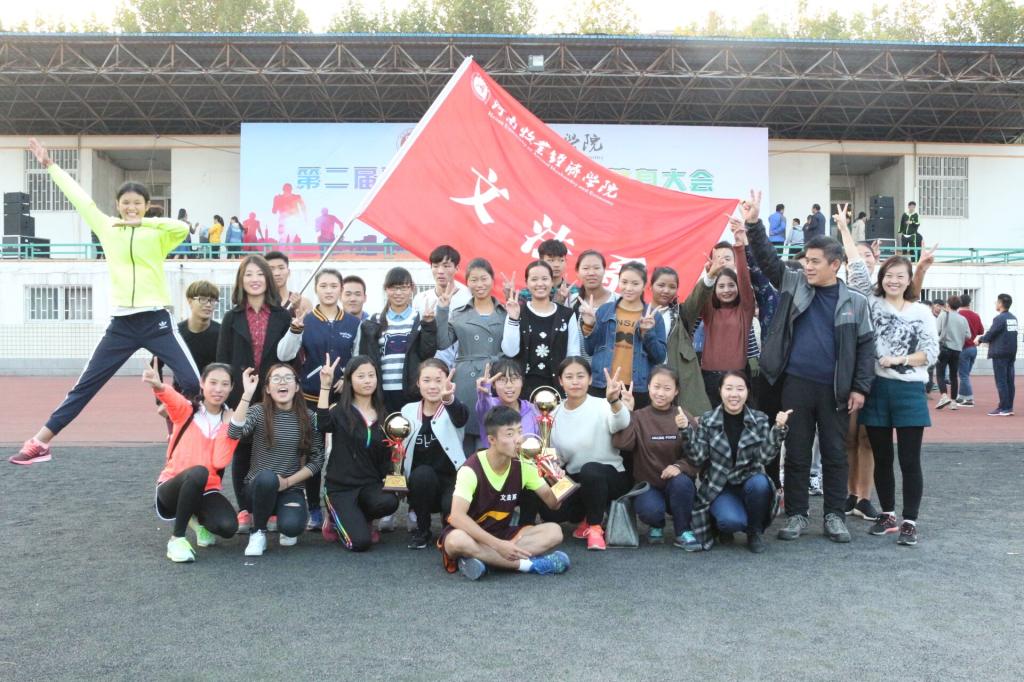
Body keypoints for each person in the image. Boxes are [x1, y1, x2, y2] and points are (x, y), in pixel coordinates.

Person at [11, 138, 198, 466]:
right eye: (126, 203)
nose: (131, 208)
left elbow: (182, 227)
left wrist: (145, 222)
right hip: (122, 323)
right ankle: (40, 442)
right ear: (117, 204)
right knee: (85, 385)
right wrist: (50, 166)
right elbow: (80, 199)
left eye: (137, 203)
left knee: (193, 382)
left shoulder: (157, 233)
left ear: (146, 205)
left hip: (155, 319)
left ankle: (192, 435)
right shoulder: (107, 227)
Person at [743, 190, 875, 544]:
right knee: (797, 453)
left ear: (836, 265)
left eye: (815, 261)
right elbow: (768, 260)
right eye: (806, 261)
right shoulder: (794, 283)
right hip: (796, 385)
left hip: (835, 390)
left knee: (834, 454)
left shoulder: (855, 301)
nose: (808, 267)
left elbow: (866, 347)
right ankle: (797, 515)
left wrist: (860, 387)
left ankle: (834, 516)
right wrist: (754, 225)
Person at [839, 217, 939, 547]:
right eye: (889, 275)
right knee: (882, 458)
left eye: (900, 276)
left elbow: (930, 353)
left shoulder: (921, 312)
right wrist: (844, 229)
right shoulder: (870, 302)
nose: (893, 281)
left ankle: (910, 520)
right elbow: (857, 267)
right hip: (877, 389)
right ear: (881, 278)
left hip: (909, 390)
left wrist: (899, 360)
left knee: (909, 460)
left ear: (909, 280)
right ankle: (887, 514)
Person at [439, 406, 570, 580]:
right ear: (492, 439)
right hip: (470, 534)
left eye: (520, 431)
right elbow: (456, 517)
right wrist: (498, 545)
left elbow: (553, 504)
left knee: (554, 532)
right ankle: (529, 565)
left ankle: (482, 559)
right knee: (456, 541)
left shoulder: (524, 464)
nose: (518, 440)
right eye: (509, 434)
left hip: (502, 533)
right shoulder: (470, 469)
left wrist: (556, 480)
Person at [277, 268, 360, 529]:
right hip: (310, 397)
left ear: (340, 289)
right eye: (323, 286)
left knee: (344, 455)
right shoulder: (305, 320)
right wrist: (294, 329)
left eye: (333, 286)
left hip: (343, 399)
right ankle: (312, 507)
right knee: (314, 453)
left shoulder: (354, 323)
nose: (328, 290)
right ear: (316, 289)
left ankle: (340, 507)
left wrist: (348, 377)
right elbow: (283, 354)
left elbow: (358, 359)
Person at [521, 357, 631, 551]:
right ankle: (583, 515)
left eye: (580, 376)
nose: (575, 382)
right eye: (569, 377)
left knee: (591, 471)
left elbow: (621, 422)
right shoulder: (553, 413)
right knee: (551, 512)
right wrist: (552, 470)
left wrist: (615, 401)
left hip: (610, 476)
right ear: (560, 381)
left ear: (590, 379)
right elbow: (556, 456)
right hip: (576, 478)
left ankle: (595, 527)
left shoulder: (603, 405)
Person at [216, 255, 292, 530]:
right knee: (243, 451)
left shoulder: (283, 316)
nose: (255, 279)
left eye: (260, 274)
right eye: (248, 274)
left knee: (273, 449)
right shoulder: (231, 317)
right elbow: (223, 360)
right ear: (241, 280)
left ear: (268, 279)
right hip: (242, 395)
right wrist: (227, 399)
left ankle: (270, 507)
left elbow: (290, 358)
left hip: (274, 394)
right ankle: (245, 509)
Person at [146, 360, 250, 562]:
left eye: (225, 384)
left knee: (228, 527)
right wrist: (158, 386)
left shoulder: (230, 422)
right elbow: (172, 398)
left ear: (231, 388)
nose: (218, 389)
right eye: (213, 382)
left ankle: (196, 520)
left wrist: (226, 425)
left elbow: (220, 461)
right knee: (198, 472)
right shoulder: (187, 411)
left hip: (206, 490)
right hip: (172, 487)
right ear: (202, 383)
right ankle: (177, 539)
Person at [680, 372, 790, 553]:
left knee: (761, 483)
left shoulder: (760, 419)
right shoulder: (708, 419)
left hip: (749, 483)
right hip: (719, 487)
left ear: (747, 392)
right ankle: (719, 523)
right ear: (720, 391)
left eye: (740, 389)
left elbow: (764, 458)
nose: (734, 394)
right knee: (731, 521)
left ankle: (754, 532)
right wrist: (685, 430)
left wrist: (778, 429)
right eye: (729, 388)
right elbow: (698, 457)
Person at [229, 363, 324, 556]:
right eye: (276, 378)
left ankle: (281, 517)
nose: (283, 382)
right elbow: (234, 433)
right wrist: (246, 394)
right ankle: (258, 532)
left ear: (296, 387)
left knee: (291, 527)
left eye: (288, 378)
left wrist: (288, 482)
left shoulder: (309, 417)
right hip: (257, 487)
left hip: (290, 488)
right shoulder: (258, 411)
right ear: (267, 388)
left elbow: (317, 460)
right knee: (267, 478)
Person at [317, 354, 399, 552]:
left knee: (389, 502)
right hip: (341, 488)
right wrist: (325, 386)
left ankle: (361, 518)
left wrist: (395, 479)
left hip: (369, 486)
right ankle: (334, 519)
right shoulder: (339, 411)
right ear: (350, 380)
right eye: (361, 376)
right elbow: (322, 424)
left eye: (371, 375)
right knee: (360, 543)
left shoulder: (385, 415)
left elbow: (388, 456)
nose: (367, 380)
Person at [611, 366, 699, 549]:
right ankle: (656, 524)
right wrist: (628, 412)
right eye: (656, 387)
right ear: (648, 387)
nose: (660, 393)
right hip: (648, 485)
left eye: (667, 388)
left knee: (682, 484)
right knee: (650, 510)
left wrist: (680, 467)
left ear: (676, 391)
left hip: (677, 484)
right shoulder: (639, 416)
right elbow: (622, 444)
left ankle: (683, 531)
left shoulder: (683, 416)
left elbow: (697, 455)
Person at [436, 257, 508, 451]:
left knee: (497, 432)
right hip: (467, 380)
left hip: (496, 377)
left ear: (492, 280)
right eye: (474, 280)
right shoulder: (459, 313)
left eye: (484, 279)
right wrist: (442, 309)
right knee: (466, 435)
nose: (479, 284)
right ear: (467, 282)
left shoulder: (505, 313)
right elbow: (442, 342)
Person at [400, 359, 468, 549]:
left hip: (451, 480)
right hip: (421, 483)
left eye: (439, 380)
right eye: (426, 380)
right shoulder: (407, 410)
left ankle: (448, 529)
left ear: (448, 382)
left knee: (450, 510)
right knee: (422, 474)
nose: (432, 386)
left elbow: (461, 418)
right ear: (418, 383)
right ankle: (423, 530)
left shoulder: (454, 408)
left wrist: (449, 399)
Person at [580, 261, 667, 411]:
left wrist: (647, 333)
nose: (628, 288)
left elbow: (659, 357)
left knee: (632, 426)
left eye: (635, 283)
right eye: (624, 282)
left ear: (644, 285)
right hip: (602, 384)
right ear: (618, 282)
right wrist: (589, 325)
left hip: (637, 387)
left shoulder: (654, 316)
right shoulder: (605, 311)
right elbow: (589, 349)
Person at [356, 267, 438, 413]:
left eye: (404, 288)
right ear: (386, 289)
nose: (398, 293)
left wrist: (429, 325)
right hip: (382, 392)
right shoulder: (373, 321)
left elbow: (427, 353)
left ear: (412, 289)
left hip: (412, 391)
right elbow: (365, 358)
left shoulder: (421, 318)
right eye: (393, 288)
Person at [503, 260, 582, 399]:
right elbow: (510, 351)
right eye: (534, 279)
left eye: (545, 279)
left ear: (552, 282)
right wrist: (513, 319)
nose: (540, 283)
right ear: (527, 283)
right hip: (523, 391)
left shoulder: (567, 315)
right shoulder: (516, 310)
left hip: (558, 389)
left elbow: (573, 355)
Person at [699, 224, 755, 408]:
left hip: (737, 375)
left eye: (731, 285)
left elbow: (745, 280)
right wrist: (710, 273)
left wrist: (739, 248)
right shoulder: (709, 311)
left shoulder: (744, 310)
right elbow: (704, 290)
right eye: (721, 286)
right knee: (712, 421)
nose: (726, 290)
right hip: (710, 376)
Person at [650, 265, 714, 417]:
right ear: (650, 286)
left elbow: (699, 297)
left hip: (681, 379)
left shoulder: (682, 314)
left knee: (685, 423)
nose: (666, 290)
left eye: (672, 287)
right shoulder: (641, 313)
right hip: (650, 379)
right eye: (661, 285)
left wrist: (711, 276)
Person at [473, 358, 541, 440]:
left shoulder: (532, 409)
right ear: (493, 384)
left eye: (514, 378)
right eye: (502, 380)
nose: (509, 385)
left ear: (522, 382)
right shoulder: (490, 407)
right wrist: (483, 394)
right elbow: (483, 406)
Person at [978, 294, 1017, 417]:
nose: (995, 304)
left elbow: (991, 333)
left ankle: (1004, 407)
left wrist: (980, 340)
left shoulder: (999, 318)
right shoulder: (1013, 318)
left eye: (996, 302)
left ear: (1000, 304)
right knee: (1009, 381)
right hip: (1011, 353)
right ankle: (1009, 407)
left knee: (1001, 381)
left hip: (1000, 353)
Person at [515, 239, 578, 305]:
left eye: (561, 260)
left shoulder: (575, 291)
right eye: (551, 260)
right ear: (541, 261)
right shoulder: (526, 294)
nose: (557, 265)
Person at [935, 296, 971, 411]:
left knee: (940, 373)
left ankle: (944, 396)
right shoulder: (963, 319)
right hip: (957, 350)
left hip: (944, 348)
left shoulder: (943, 315)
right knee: (954, 376)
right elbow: (968, 335)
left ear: (948, 304)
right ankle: (954, 402)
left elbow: (936, 331)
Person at [956, 293, 985, 407]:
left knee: (963, 375)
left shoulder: (958, 315)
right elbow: (981, 331)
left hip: (962, 348)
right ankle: (961, 397)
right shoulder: (976, 315)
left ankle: (969, 399)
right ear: (969, 303)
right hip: (973, 348)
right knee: (965, 375)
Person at [265, 250, 313, 319]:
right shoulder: (259, 303)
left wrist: (298, 308)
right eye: (271, 269)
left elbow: (310, 325)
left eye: (281, 268)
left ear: (289, 272)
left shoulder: (304, 303)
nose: (277, 273)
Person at [572, 249, 614, 319]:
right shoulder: (571, 301)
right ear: (577, 272)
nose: (591, 273)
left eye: (596, 268)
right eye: (586, 268)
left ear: (604, 270)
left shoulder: (618, 300)